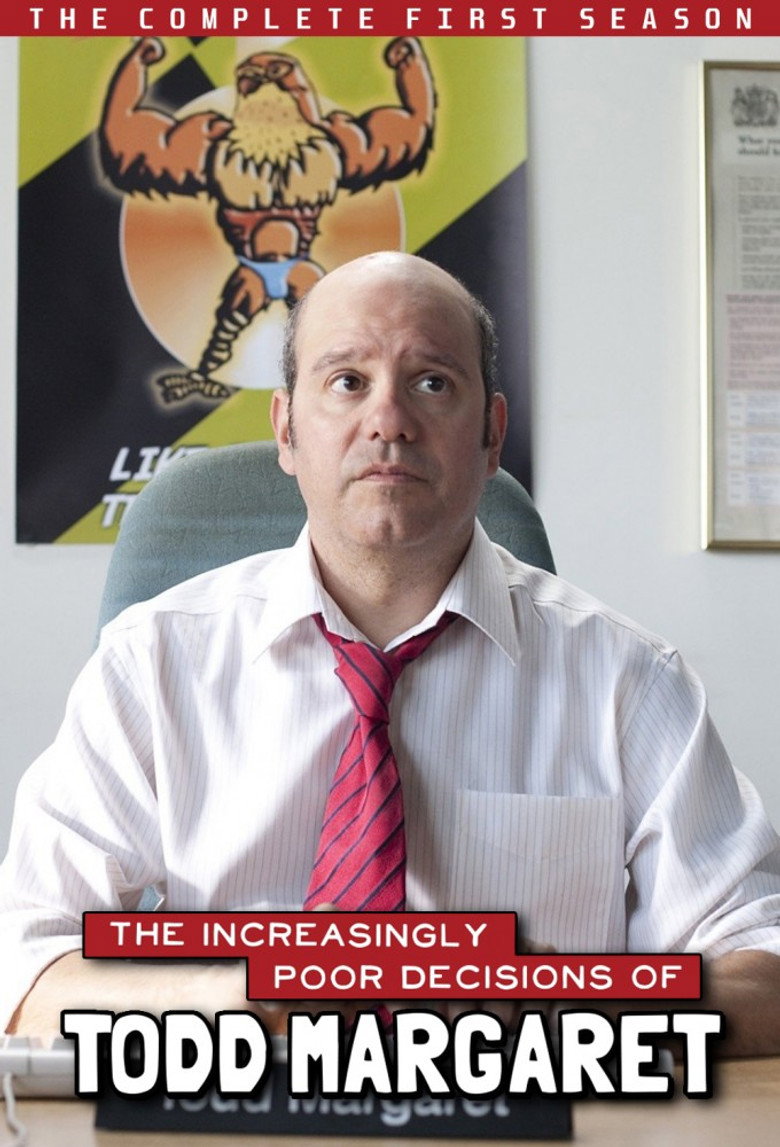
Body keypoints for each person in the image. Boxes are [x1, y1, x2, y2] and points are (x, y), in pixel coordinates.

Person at [2, 253, 779, 1055]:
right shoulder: (152, 663)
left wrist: (570, 1007)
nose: (389, 421)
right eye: (347, 381)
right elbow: (25, 969)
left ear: (492, 435)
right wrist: (222, 998)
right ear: (286, 429)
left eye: (432, 383)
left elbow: (764, 971)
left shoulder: (628, 681)